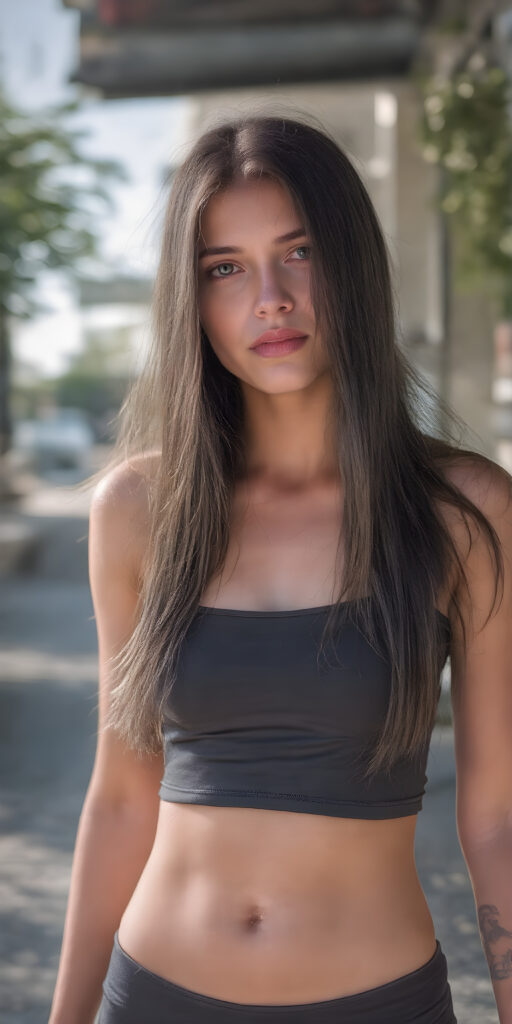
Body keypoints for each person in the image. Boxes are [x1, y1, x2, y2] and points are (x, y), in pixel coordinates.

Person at [48, 113, 512, 1024]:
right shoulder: (138, 514)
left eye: (298, 253)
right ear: (194, 299)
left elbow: (498, 818)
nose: (269, 297)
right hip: (154, 998)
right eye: (225, 267)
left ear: (354, 268)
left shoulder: (464, 513)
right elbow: (118, 803)